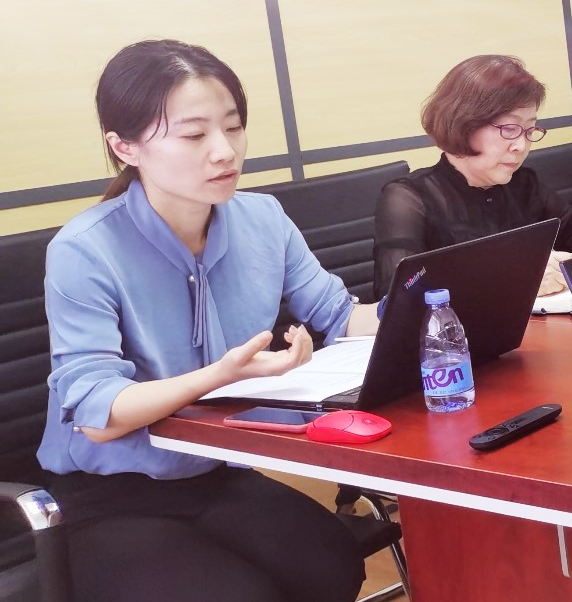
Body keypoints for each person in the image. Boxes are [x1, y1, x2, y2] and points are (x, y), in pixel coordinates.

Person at [40, 40, 381, 602]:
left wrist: (438, 304)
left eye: (234, 127)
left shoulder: (262, 218)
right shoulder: (85, 249)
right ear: (124, 147)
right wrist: (222, 375)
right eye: (194, 135)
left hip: (220, 470)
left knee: (332, 566)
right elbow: (99, 415)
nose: (225, 151)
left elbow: (340, 315)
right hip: (111, 495)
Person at [373, 55, 572, 298]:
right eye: (510, 129)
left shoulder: (524, 185)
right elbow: (396, 297)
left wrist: (566, 266)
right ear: (463, 124)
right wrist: (519, 277)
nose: (521, 146)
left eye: (530, 130)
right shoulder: (409, 198)